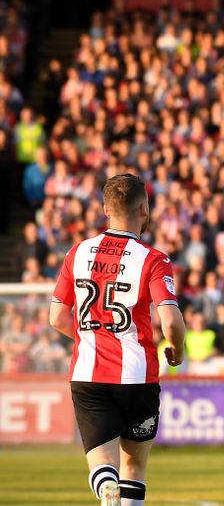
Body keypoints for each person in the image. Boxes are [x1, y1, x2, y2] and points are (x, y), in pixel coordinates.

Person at [48, 174, 186, 506]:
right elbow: (170, 320)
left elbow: (56, 316)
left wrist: (92, 337)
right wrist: (177, 350)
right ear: (144, 209)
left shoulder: (78, 252)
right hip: (138, 376)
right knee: (134, 468)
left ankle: (106, 484)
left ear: (106, 210)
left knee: (103, 463)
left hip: (88, 375)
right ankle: (116, 488)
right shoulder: (153, 259)